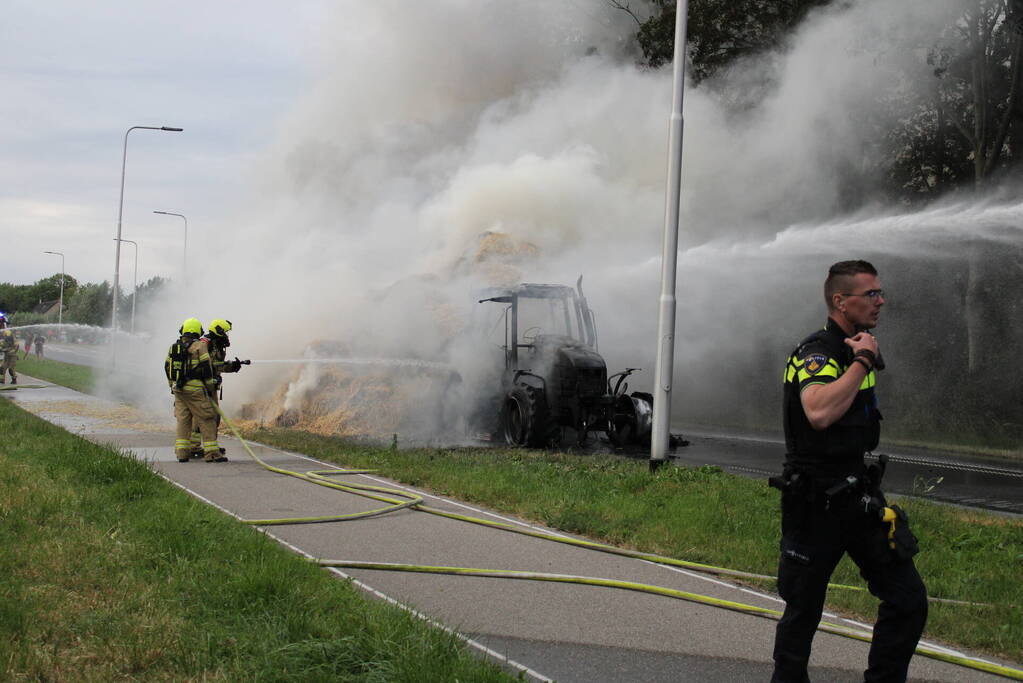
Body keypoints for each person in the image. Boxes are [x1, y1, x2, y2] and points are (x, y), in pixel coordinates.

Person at [771, 260, 927, 683]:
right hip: (814, 502)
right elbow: (818, 411)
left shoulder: (859, 346)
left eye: (881, 292)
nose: (881, 301)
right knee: (803, 612)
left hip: (858, 499)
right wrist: (861, 361)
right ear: (841, 301)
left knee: (908, 599)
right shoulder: (818, 351)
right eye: (871, 294)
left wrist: (860, 354)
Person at [164, 317, 225, 463]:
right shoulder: (199, 346)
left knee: (183, 421)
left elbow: (167, 368)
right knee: (207, 418)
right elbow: (206, 369)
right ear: (198, 331)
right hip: (196, 390)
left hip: (179, 390)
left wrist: (172, 386)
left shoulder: (174, 347)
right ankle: (212, 454)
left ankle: (182, 454)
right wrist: (211, 386)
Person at [186, 318, 243, 458]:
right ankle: (195, 447)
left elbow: (217, 365)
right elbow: (206, 366)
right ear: (218, 331)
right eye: (225, 332)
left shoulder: (217, 345)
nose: (227, 336)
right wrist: (216, 374)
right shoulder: (206, 345)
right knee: (203, 417)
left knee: (214, 417)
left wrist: (232, 366)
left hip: (211, 386)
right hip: (203, 385)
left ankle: (211, 445)